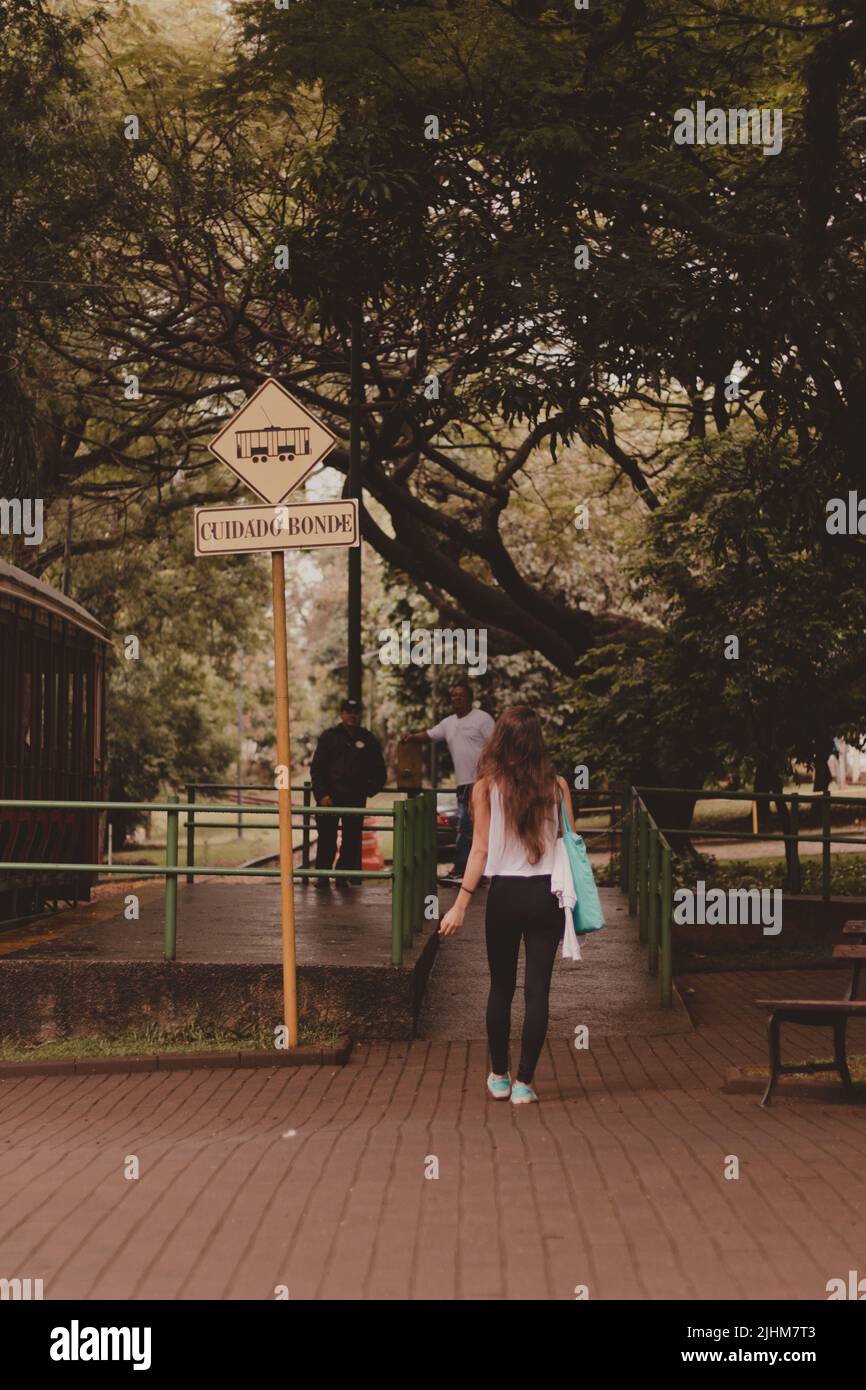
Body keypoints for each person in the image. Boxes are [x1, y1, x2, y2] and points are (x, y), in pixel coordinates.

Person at [438, 705, 575, 1105]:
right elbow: (570, 843)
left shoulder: (485, 787)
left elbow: (478, 850)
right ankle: (525, 1084)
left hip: (505, 895)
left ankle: (499, 1075)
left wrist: (460, 904)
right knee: (537, 992)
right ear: (537, 741)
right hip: (546, 895)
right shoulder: (558, 785)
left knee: (500, 989)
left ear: (500, 740)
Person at [404, 681, 494, 884]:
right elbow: (429, 735)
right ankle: (473, 872)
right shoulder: (448, 723)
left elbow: (496, 747)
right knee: (468, 827)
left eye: (461, 695)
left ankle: (465, 870)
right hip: (463, 785)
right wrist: (410, 738)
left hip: (483, 782)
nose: (456, 698)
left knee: (470, 827)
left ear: (470, 698)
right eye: (453, 695)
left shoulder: (482, 719)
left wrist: (490, 777)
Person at [310, 699, 387, 887]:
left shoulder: (368, 739)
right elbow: (317, 769)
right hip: (330, 799)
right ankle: (322, 876)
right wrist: (321, 796)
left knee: (351, 839)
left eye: (355, 711)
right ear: (341, 714)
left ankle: (342, 877)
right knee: (327, 838)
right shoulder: (328, 737)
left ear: (360, 714)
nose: (352, 715)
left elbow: (380, 771)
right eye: (348, 711)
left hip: (354, 799)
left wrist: (368, 790)